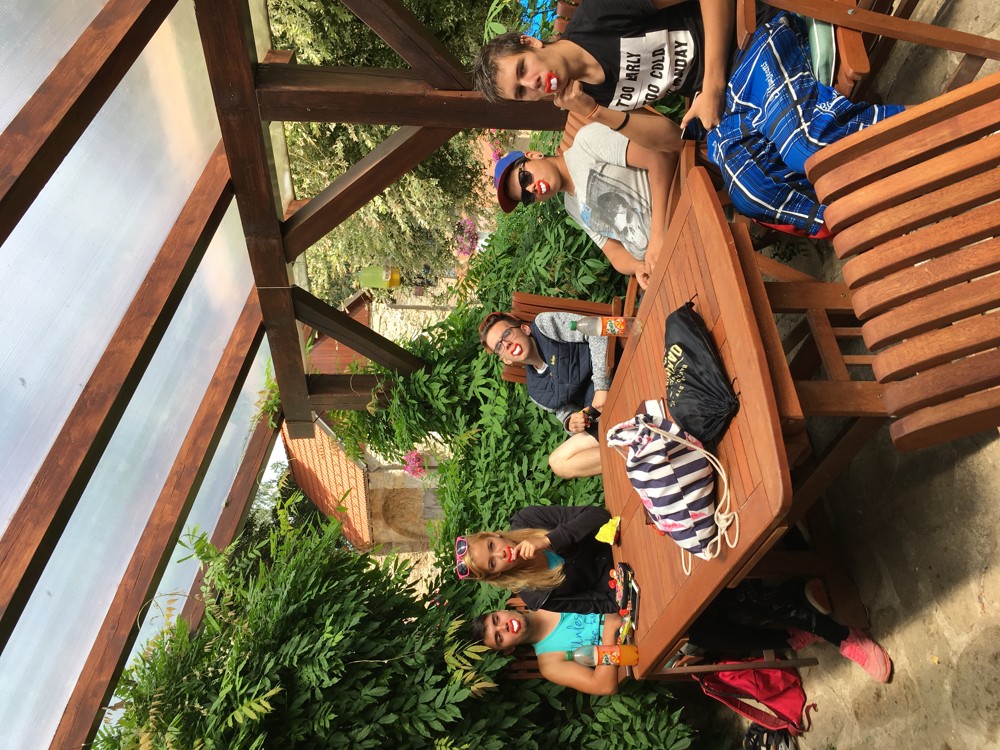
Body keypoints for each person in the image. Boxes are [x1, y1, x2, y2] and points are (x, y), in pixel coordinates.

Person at [471, 0, 904, 248]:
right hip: (722, 99)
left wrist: (712, 83)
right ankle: (865, 220)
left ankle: (924, 139)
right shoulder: (591, 97)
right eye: (522, 92)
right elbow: (670, 142)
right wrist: (595, 113)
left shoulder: (600, 16)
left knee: (802, 145)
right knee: (752, 193)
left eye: (523, 69)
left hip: (748, 38)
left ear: (530, 42)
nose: (532, 84)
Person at [492, 120, 675, 289]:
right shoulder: (572, 206)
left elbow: (659, 157)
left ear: (533, 155)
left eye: (524, 178)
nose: (531, 188)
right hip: (660, 264)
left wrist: (658, 236)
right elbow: (613, 251)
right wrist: (637, 267)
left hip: (678, 216)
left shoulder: (586, 143)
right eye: (526, 197)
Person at [478, 310, 610, 478]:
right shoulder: (536, 391)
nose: (507, 344)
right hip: (600, 416)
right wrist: (572, 422)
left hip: (616, 375)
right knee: (559, 463)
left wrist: (601, 385)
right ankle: (631, 450)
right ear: (506, 360)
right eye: (499, 346)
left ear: (525, 329)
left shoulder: (545, 326)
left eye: (507, 334)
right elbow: (565, 413)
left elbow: (597, 330)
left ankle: (631, 449)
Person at [455, 505, 618, 613]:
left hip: (621, 536)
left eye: (491, 546)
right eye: (492, 563)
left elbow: (599, 515)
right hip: (621, 578)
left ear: (493, 535)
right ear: (496, 574)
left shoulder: (527, 519)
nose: (500, 554)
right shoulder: (536, 596)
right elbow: (605, 603)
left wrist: (549, 540)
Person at [470, 607, 624, 695]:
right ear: (508, 650)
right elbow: (603, 686)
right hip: (628, 641)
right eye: (499, 637)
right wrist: (609, 632)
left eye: (496, 619)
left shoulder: (544, 595)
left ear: (501, 610)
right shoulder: (550, 664)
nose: (504, 626)